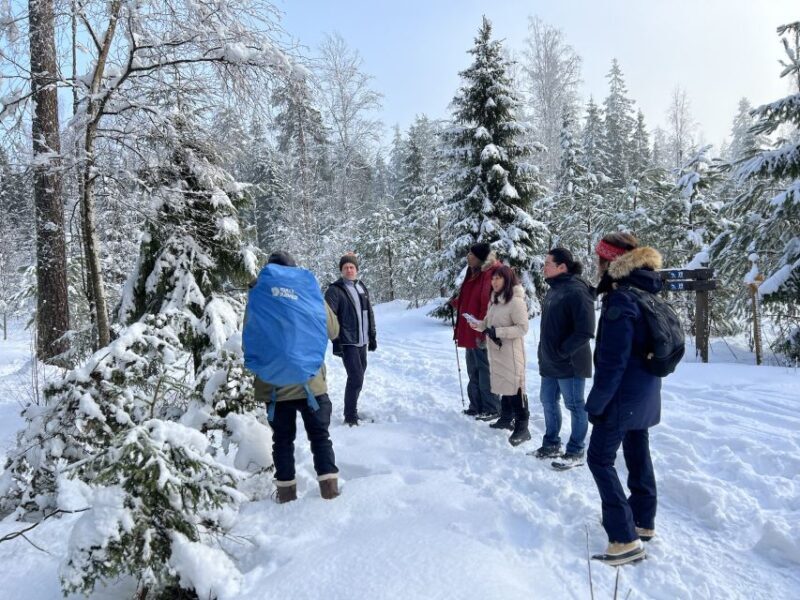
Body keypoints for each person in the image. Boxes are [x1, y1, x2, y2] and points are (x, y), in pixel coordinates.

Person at [585, 233, 663, 566]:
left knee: (599, 458)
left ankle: (624, 537)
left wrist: (596, 403)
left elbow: (612, 361)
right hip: (646, 391)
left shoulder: (620, 301)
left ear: (610, 262)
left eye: (599, 259)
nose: (595, 264)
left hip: (621, 395)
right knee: (636, 450)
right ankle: (642, 520)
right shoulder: (647, 291)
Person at [250, 251, 341, 503]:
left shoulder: (259, 295)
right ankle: (330, 492)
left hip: (273, 385)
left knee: (282, 441)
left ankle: (287, 496)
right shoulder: (308, 292)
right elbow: (333, 330)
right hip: (311, 382)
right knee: (320, 437)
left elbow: (250, 338)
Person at [532, 248, 596, 468]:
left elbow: (586, 330)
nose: (544, 267)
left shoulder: (577, 290)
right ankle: (551, 444)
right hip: (549, 361)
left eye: (548, 263)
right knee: (548, 401)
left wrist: (562, 351)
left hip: (570, 362)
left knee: (575, 405)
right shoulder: (553, 289)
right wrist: (546, 353)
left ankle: (576, 450)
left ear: (562, 267)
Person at [469, 265, 531, 445]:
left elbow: (522, 328)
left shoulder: (516, 302)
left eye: (498, 278)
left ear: (507, 280)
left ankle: (522, 427)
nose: (494, 282)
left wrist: (498, 332)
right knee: (504, 386)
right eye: (493, 278)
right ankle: (506, 418)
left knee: (516, 387)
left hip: (511, 353)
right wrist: (477, 324)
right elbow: (488, 323)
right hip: (497, 351)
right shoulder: (494, 300)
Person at [450, 242, 502, 420]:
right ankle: (476, 405)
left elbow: (486, 305)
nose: (468, 256)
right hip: (471, 329)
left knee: (485, 370)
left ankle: (491, 407)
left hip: (481, 331)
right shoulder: (474, 273)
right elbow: (470, 299)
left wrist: (483, 330)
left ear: (480, 258)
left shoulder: (490, 275)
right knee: (473, 369)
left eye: (471, 254)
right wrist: (457, 303)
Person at [325, 253, 377, 426]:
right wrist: (336, 341)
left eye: (352, 267)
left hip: (362, 340)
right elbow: (328, 316)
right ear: (341, 270)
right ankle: (350, 416)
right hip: (347, 341)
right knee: (355, 377)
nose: (349, 269)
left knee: (359, 376)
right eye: (345, 267)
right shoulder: (335, 290)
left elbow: (368, 312)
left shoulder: (361, 286)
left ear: (356, 270)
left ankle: (351, 411)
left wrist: (372, 335)